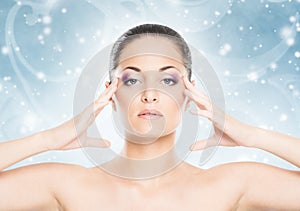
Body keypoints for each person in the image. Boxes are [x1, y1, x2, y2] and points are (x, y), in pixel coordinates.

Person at [0, 23, 299, 211]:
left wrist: (255, 136)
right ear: (111, 93)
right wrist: (46, 139)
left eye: (168, 80)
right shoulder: (64, 186)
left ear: (188, 93)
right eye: (131, 80)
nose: (150, 93)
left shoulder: (231, 184)